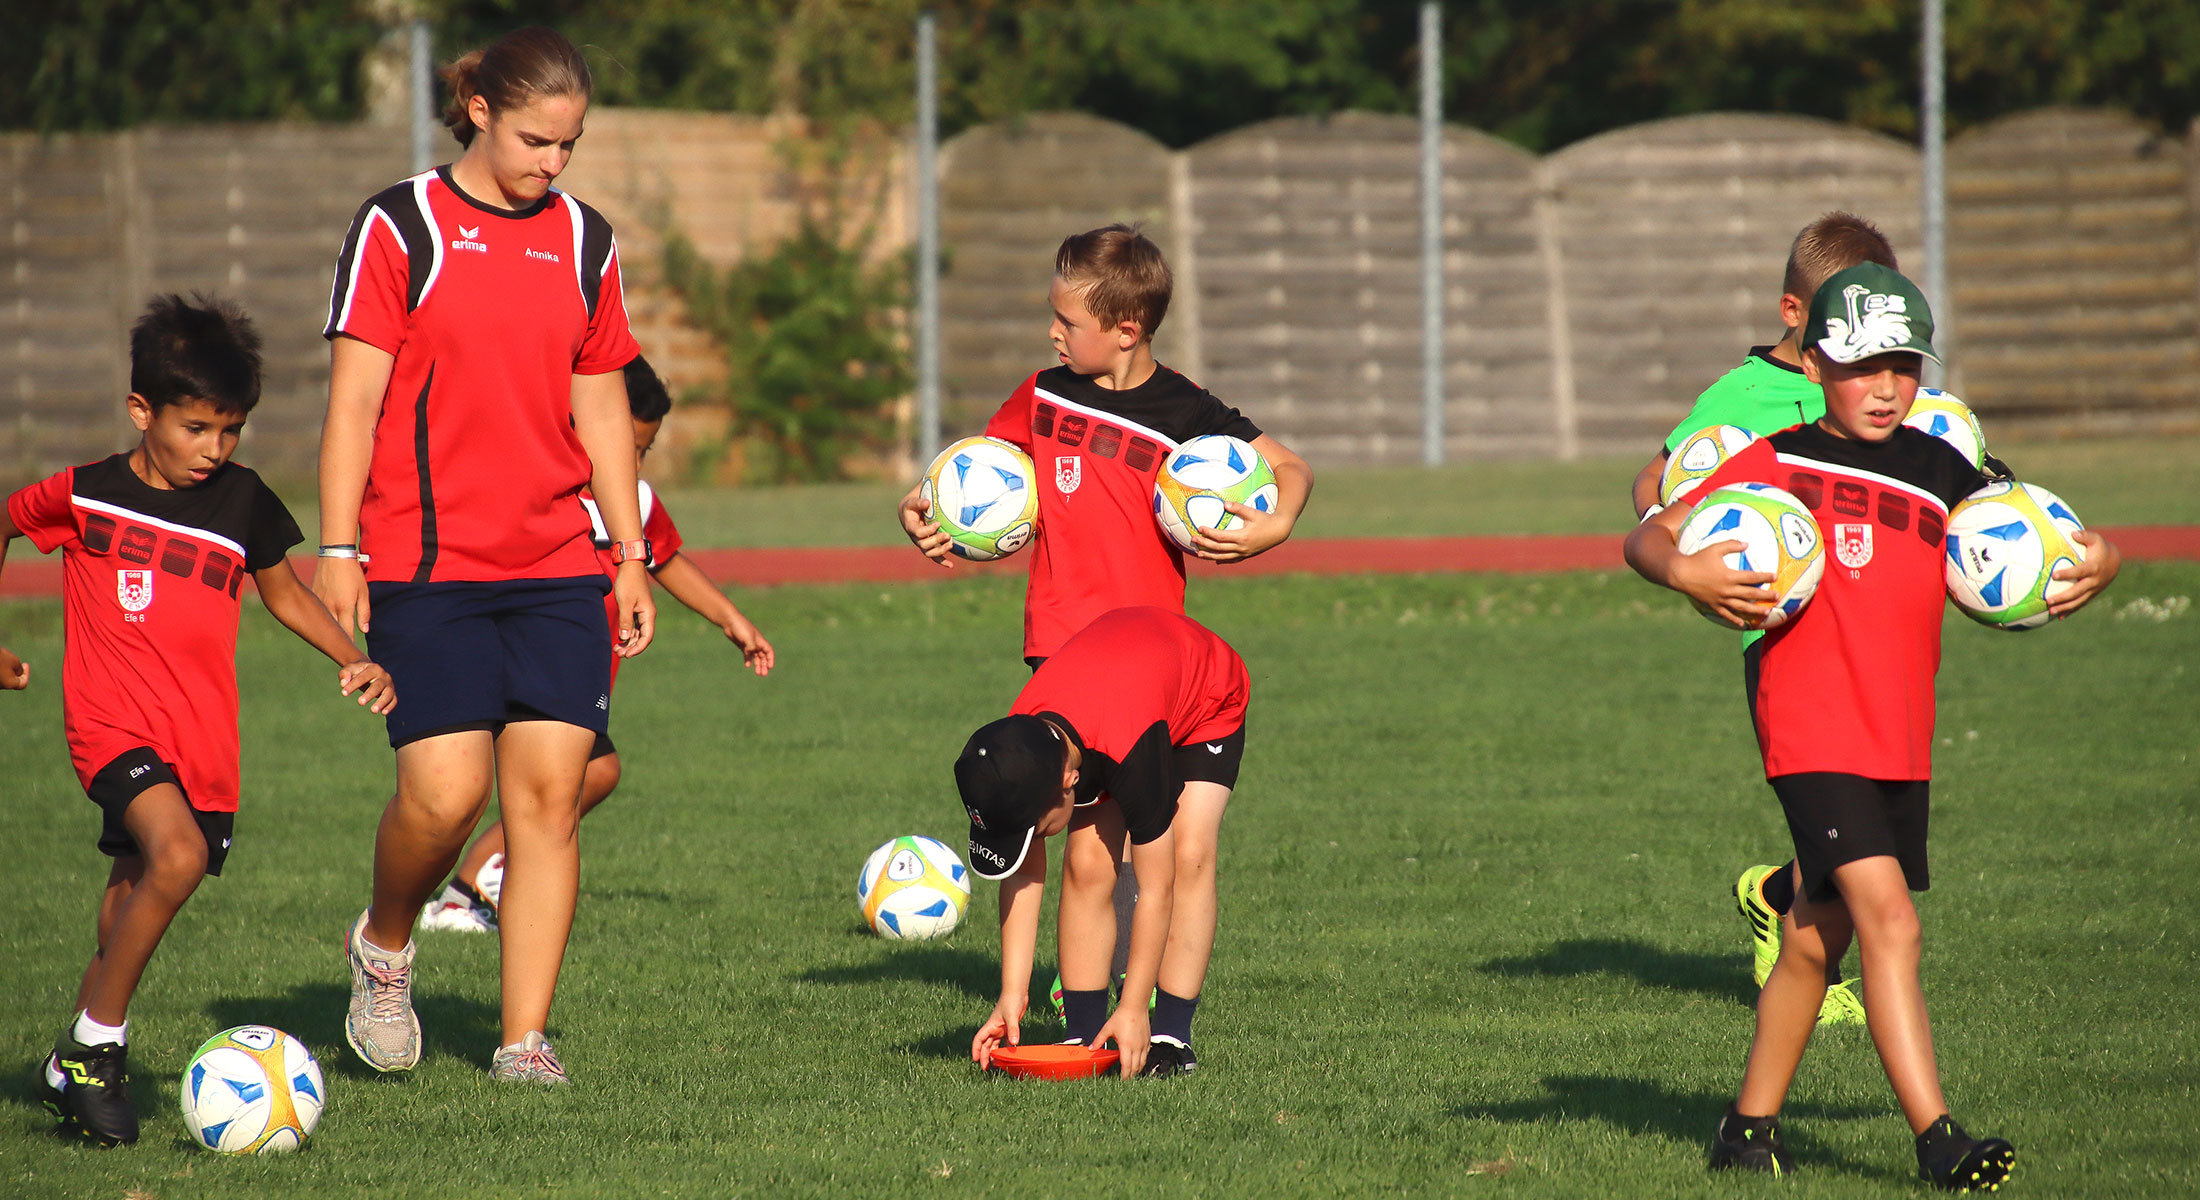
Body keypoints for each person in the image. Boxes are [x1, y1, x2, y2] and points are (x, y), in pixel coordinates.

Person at [1625, 263, 2119, 1187]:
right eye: (1861, 365)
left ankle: (1745, 1130)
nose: (1886, 386)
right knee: (1892, 923)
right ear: (1814, 364)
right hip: (1810, 731)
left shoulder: (1944, 470)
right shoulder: (1776, 459)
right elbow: (1652, 530)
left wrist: (2109, 561)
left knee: (1817, 938)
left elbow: (2050, 533)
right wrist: (1679, 568)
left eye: (1904, 364)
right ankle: (1938, 1140)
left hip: (1897, 737)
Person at [315, 25, 653, 1085]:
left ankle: (522, 1041)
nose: (553, 164)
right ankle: (384, 942)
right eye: (537, 141)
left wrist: (630, 555)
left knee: (547, 796)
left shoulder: (585, 241)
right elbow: (355, 400)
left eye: (571, 146)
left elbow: (602, 407)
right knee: (443, 796)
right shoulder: (399, 223)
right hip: (427, 563)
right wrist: (338, 545)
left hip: (557, 560)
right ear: (479, 112)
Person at [4, 294, 394, 1146]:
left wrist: (353, 656)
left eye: (231, 431)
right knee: (173, 857)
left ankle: (69, 1070)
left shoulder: (243, 501)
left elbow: (285, 594)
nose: (213, 450)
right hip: (111, 728)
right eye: (195, 429)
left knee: (124, 908)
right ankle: (94, 1048)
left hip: (203, 745)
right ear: (143, 412)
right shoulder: (87, 495)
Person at [897, 223, 1310, 1001]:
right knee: (1091, 848)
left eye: (1068, 324)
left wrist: (1276, 521)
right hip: (1058, 650)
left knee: (1155, 847)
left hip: (1154, 659)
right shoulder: (1042, 393)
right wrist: (921, 511)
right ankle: (1090, 997)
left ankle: (1139, 990)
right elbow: (973, 478)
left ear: (1126, 329)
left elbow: (1292, 467)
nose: (1052, 333)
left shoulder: (1185, 410)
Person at [419, 354, 775, 933]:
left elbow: (667, 561)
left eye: (642, 452)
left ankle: (474, 887)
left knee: (590, 776)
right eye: (624, 446)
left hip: (579, 679)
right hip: (528, 670)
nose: (630, 464)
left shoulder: (632, 502)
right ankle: (463, 891)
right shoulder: (542, 495)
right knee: (510, 787)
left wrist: (732, 619)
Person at [958, 606, 1249, 1079]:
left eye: (1032, 827)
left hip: (1205, 696)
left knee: (1188, 854)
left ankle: (1172, 1034)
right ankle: (1083, 1030)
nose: (1031, 840)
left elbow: (1155, 889)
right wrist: (1012, 994)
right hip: (1122, 693)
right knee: (1087, 862)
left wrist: (1135, 1006)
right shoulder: (1019, 746)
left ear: (1070, 779)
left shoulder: (1128, 748)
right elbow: (1025, 872)